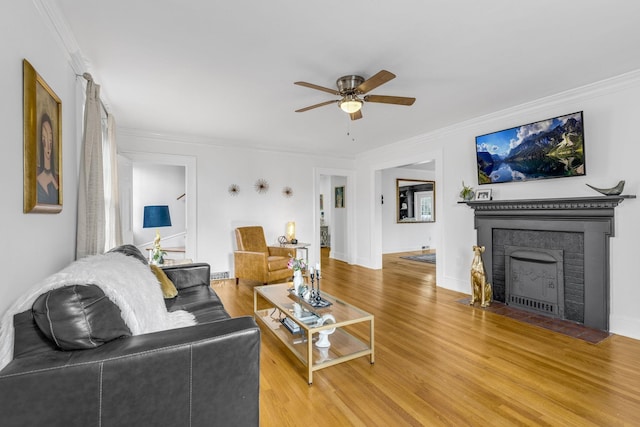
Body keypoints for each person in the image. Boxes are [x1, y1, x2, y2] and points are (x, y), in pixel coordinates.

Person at [36, 113, 59, 204]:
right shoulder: (37, 180)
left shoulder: (56, 178)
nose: (48, 147)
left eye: (50, 141)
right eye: (44, 140)